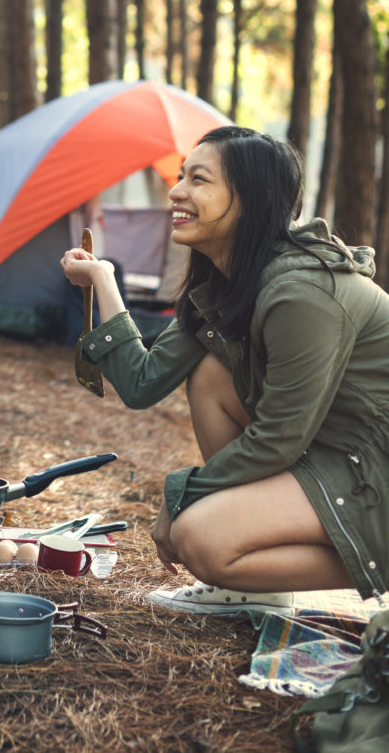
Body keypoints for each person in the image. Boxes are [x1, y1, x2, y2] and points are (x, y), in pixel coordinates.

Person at [61, 126, 389, 614]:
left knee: (200, 537)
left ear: (252, 200)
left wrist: (181, 497)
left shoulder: (302, 292)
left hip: (371, 466)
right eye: (181, 176)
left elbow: (278, 439)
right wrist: (103, 280)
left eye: (199, 179)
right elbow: (141, 382)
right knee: (211, 374)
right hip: (330, 449)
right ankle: (259, 582)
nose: (176, 191)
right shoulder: (227, 281)